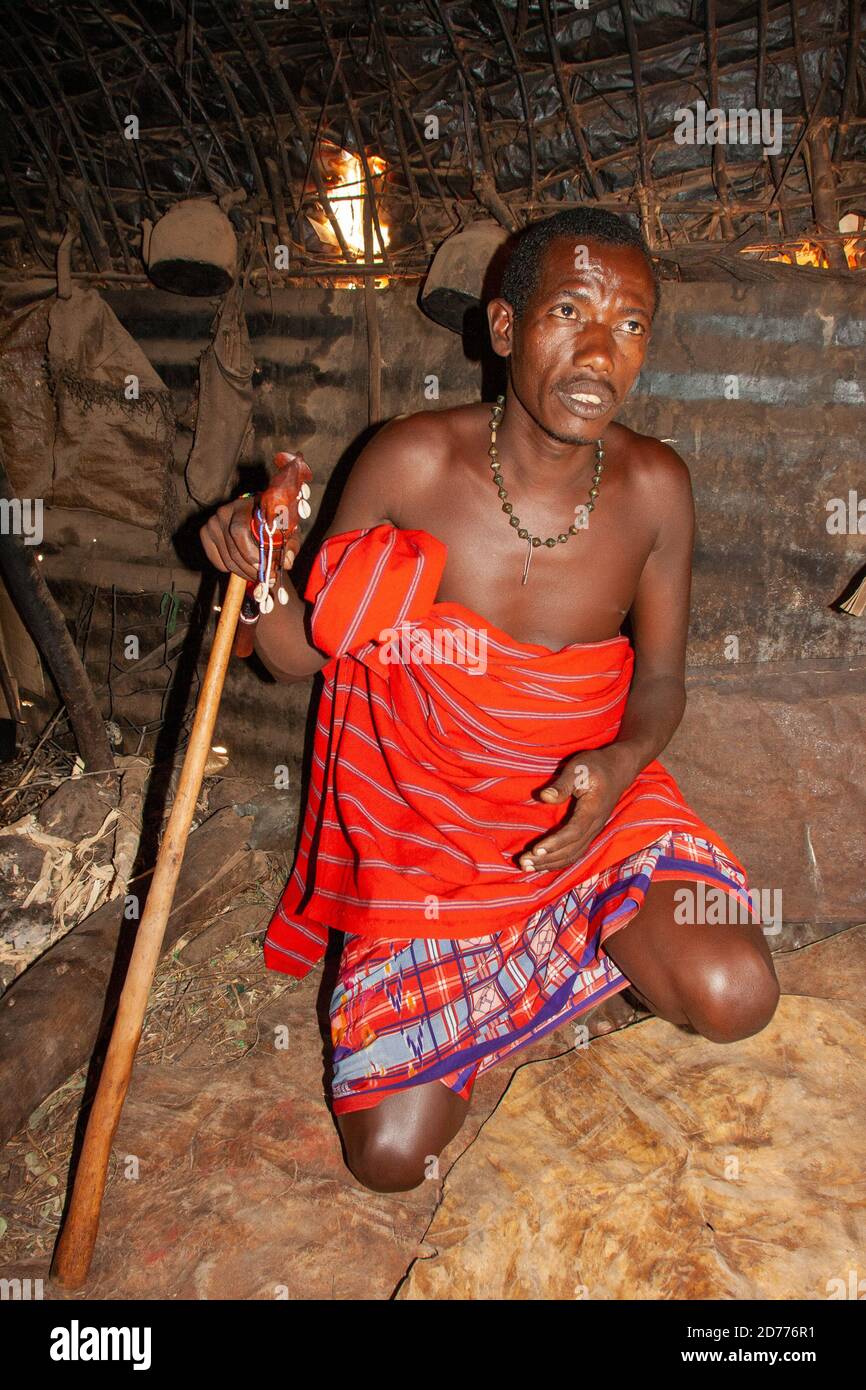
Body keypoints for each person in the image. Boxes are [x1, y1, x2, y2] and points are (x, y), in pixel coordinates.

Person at [200, 207, 780, 1194]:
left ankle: (558, 964)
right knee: (391, 1157)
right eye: (568, 312)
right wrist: (255, 571)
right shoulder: (411, 463)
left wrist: (613, 768)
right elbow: (295, 654)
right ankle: (524, 990)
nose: (600, 351)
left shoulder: (652, 488)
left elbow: (662, 682)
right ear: (503, 328)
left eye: (630, 325)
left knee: (735, 992)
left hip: (586, 813)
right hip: (428, 834)